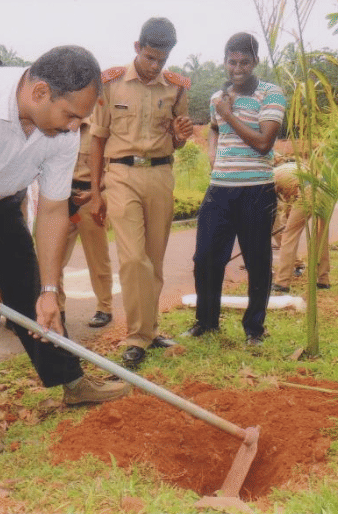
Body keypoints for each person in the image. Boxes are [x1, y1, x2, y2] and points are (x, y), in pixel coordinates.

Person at [0, 46, 131, 460]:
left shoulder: (64, 129)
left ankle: (70, 381)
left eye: (81, 119)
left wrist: (49, 289)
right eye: (71, 115)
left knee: (34, 294)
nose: (75, 127)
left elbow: (52, 208)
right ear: (40, 93)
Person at [89, 17, 193, 368]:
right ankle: (136, 337)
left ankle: (149, 329)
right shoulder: (111, 83)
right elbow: (98, 138)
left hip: (161, 174)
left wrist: (181, 133)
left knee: (154, 259)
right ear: (137, 48)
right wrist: (95, 192)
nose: (155, 66)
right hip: (121, 174)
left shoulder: (176, 87)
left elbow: (178, 140)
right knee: (134, 259)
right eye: (150, 58)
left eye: (162, 60)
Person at [183, 33, 286, 347]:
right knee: (205, 259)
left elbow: (263, 143)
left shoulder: (271, 94)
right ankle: (206, 322)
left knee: (257, 261)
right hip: (220, 190)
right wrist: (214, 152)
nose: (237, 68)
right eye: (232, 61)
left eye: (244, 62)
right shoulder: (218, 97)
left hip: (256, 190)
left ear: (255, 62)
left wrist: (229, 114)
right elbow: (215, 128)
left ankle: (254, 329)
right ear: (225, 60)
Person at [56, 120, 114, 330]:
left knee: (97, 257)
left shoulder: (99, 129)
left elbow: (111, 168)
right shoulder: (60, 126)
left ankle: (104, 308)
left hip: (90, 199)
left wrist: (94, 194)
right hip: (62, 198)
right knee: (54, 257)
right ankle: (57, 307)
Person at [270, 161, 330, 293]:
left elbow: (273, 207)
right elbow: (289, 203)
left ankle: (282, 282)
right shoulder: (288, 168)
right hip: (324, 192)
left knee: (289, 236)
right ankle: (323, 280)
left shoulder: (270, 178)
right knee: (321, 237)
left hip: (307, 193)